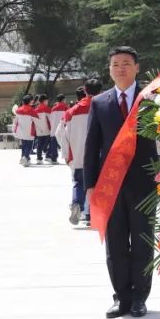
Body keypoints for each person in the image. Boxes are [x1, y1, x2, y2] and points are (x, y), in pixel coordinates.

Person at [84, 46, 158, 318]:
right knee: (114, 242)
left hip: (144, 183)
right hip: (110, 184)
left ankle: (140, 296)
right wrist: (89, 185)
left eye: (126, 63)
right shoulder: (99, 102)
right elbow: (91, 147)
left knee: (142, 240)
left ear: (137, 68)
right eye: (115, 64)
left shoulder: (152, 99)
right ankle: (120, 296)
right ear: (109, 69)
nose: (120, 68)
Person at [57, 79, 101, 226]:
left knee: (78, 182)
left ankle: (77, 203)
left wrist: (66, 154)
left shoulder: (71, 112)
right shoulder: (104, 107)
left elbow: (60, 134)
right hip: (99, 155)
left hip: (78, 154)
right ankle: (90, 214)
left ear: (86, 91)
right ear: (100, 91)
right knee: (96, 184)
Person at [12, 94, 38, 166]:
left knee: (24, 145)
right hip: (29, 130)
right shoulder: (32, 110)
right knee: (29, 145)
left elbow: (16, 120)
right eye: (32, 100)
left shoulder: (18, 110)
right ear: (29, 101)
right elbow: (36, 120)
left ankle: (23, 158)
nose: (33, 101)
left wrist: (14, 129)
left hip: (21, 130)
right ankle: (25, 157)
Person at [48, 94, 69, 162]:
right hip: (62, 129)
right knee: (64, 143)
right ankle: (67, 157)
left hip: (54, 129)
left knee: (53, 145)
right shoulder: (66, 107)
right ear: (63, 99)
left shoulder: (53, 108)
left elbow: (50, 119)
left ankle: (53, 159)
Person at [34, 94, 52, 162]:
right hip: (46, 129)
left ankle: (39, 158)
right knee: (50, 142)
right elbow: (50, 119)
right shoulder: (47, 108)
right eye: (47, 101)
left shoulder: (36, 109)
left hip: (39, 130)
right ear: (44, 101)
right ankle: (48, 155)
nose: (47, 102)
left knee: (39, 144)